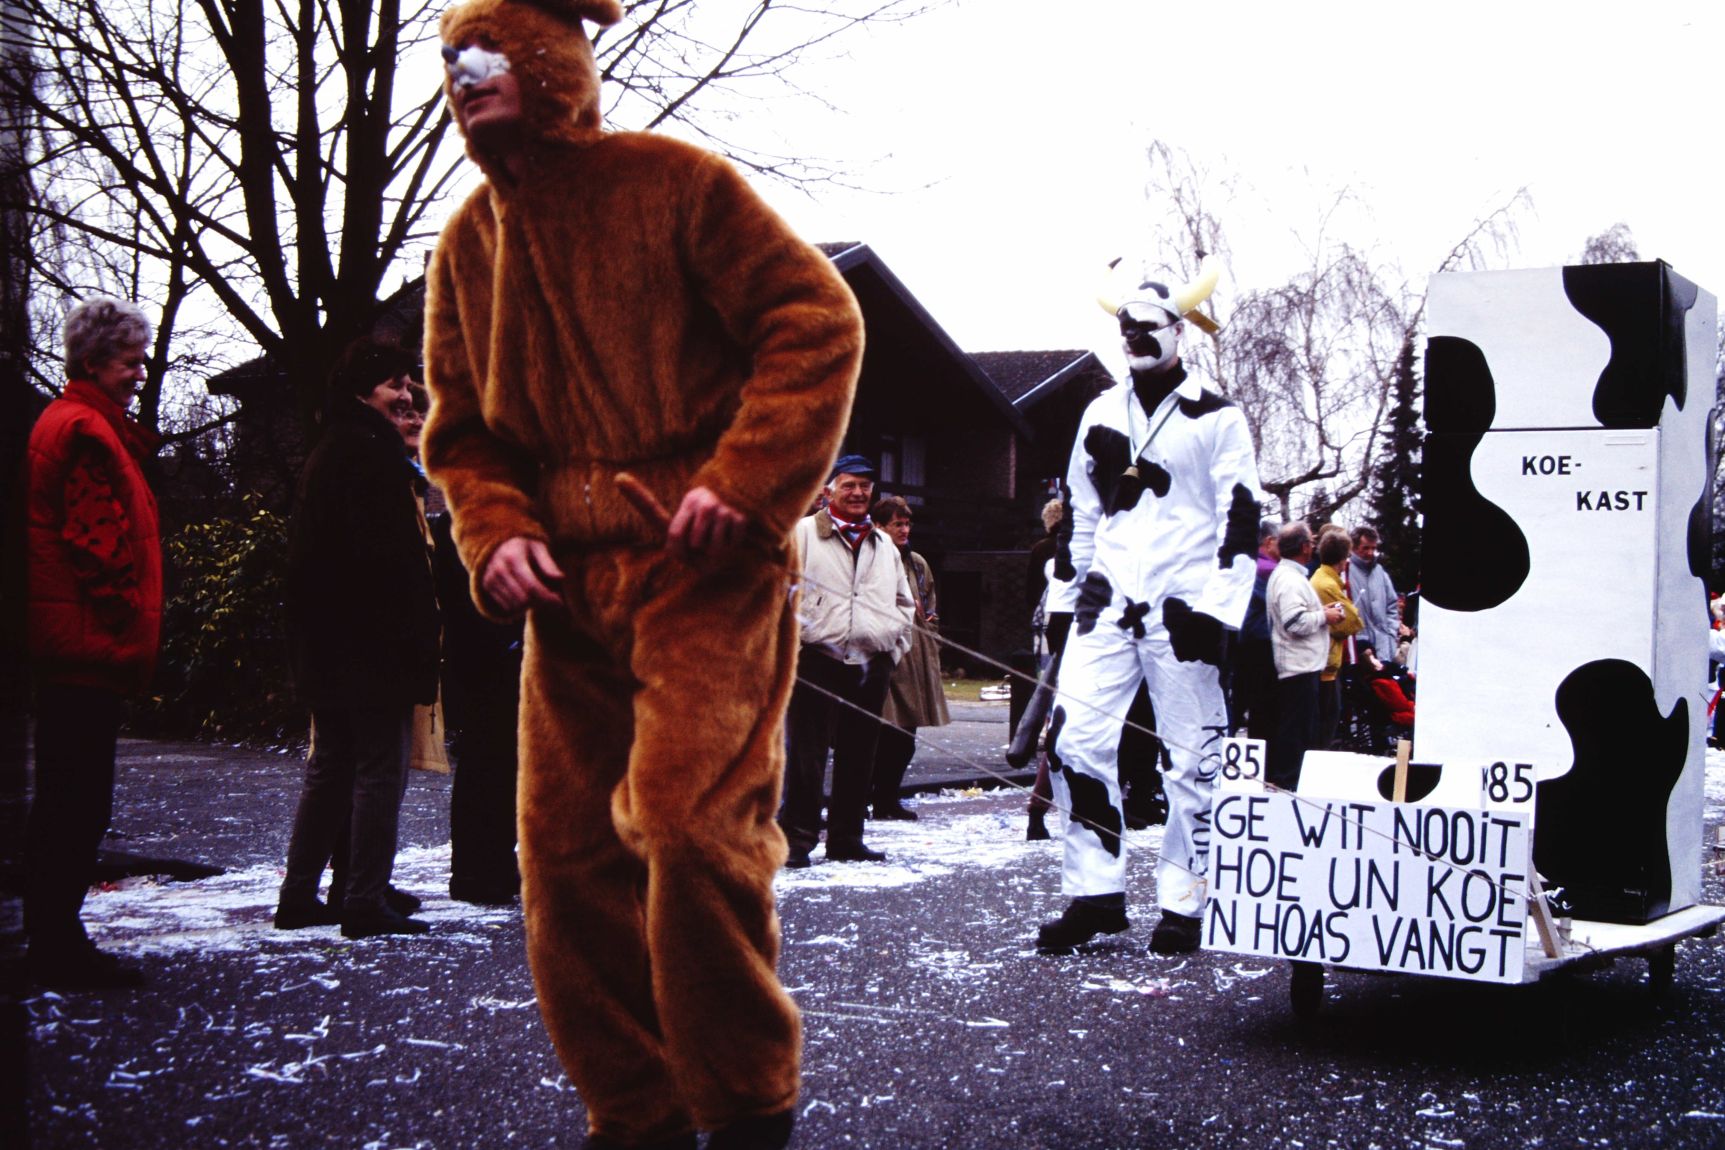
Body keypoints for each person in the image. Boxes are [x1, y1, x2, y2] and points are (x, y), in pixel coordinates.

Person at [419, 1, 864, 1144]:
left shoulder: (675, 184)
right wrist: (493, 530)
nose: (467, 75)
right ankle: (637, 1112)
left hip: (699, 564)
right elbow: (460, 431)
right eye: (452, 60)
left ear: (550, 58)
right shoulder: (467, 244)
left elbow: (816, 321)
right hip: (565, 595)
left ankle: (747, 1102)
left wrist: (746, 480)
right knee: (565, 865)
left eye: (491, 52)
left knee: (686, 828)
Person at [1035, 261, 1263, 957]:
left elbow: (1240, 515)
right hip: (1105, 601)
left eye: (1147, 326)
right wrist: (1064, 600)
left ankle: (1183, 900)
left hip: (1183, 606)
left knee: (1190, 757)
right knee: (1072, 740)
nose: (1133, 336)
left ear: (1179, 332)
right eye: (1124, 327)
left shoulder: (1218, 416)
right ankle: (1095, 892)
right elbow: (1079, 514)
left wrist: (1219, 611)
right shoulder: (1101, 412)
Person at [276, 341, 439, 939]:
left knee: (332, 767)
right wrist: (414, 640)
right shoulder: (371, 456)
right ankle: (364, 899)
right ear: (361, 390)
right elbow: (388, 565)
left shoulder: (331, 449)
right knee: (378, 769)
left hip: (329, 644)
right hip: (372, 645)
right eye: (394, 384)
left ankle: (299, 895)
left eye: (407, 383)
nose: (406, 394)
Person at [21, 296, 161, 989]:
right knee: (76, 802)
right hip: (84, 648)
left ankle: (54, 936)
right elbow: (97, 543)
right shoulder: (85, 432)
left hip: (75, 645)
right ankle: (55, 943)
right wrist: (125, 618)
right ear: (94, 361)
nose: (140, 373)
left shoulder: (75, 424)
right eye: (130, 361)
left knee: (68, 798)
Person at [782, 458, 914, 865]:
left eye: (865, 487)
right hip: (815, 658)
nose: (858, 493)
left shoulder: (884, 545)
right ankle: (797, 838)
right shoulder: (802, 534)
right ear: (829, 491)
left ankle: (846, 838)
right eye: (849, 485)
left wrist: (892, 648)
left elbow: (904, 603)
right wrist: (794, 647)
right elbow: (778, 593)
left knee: (859, 754)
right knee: (806, 755)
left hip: (870, 663)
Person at [868, 496, 950, 822]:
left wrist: (932, 635)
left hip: (915, 657)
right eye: (897, 524)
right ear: (879, 527)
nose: (904, 530)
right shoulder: (871, 558)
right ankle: (869, 798)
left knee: (906, 737)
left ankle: (887, 799)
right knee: (880, 733)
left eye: (907, 524)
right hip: (883, 654)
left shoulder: (916, 563)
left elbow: (930, 603)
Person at [1265, 522, 1345, 789]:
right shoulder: (1290, 579)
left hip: (1301, 665)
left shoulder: (1290, 576)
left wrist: (1321, 611)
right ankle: (1287, 783)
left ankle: (1290, 781)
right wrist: (1325, 616)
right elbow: (1294, 622)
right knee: (1296, 731)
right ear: (1304, 547)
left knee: (1299, 729)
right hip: (1298, 667)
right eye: (1311, 542)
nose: (1313, 546)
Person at [1309, 528, 1361, 750]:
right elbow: (1352, 622)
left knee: (1328, 723)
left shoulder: (1325, 580)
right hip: (1326, 667)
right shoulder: (1327, 585)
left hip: (1328, 664)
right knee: (1325, 726)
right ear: (1342, 559)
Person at [1229, 519, 1280, 743]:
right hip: (1261, 645)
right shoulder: (1269, 571)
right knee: (1261, 708)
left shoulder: (1248, 565)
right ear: (1268, 542)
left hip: (1243, 644)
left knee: (1238, 703)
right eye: (1280, 542)